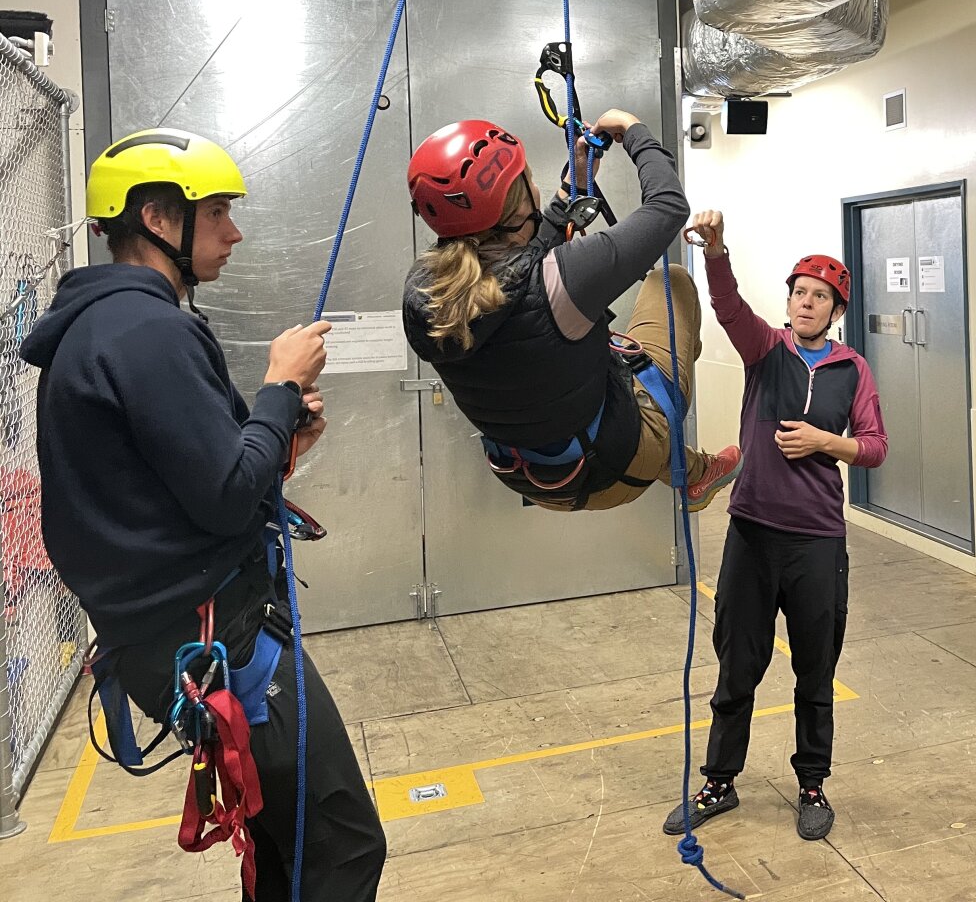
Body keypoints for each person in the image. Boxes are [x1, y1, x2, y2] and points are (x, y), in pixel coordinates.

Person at [21, 127, 386, 901]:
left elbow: (181, 484)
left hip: (172, 639)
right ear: (158, 218)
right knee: (341, 846)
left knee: (280, 841)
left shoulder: (103, 328)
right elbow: (223, 499)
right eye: (217, 211)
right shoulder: (149, 332)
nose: (234, 230)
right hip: (219, 641)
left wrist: (277, 435)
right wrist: (280, 391)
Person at [663, 209, 887, 842]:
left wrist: (825, 441)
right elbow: (730, 308)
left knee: (816, 671)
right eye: (799, 292)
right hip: (753, 535)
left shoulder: (853, 371)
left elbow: (874, 446)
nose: (806, 303)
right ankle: (719, 781)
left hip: (817, 542)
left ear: (837, 309)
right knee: (738, 666)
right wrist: (717, 251)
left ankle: (812, 785)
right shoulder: (767, 351)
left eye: (820, 296)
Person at [403, 113, 741, 513]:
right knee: (673, 283)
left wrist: (573, 189)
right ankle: (678, 443)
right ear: (518, 196)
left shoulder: (426, 292)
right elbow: (668, 207)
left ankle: (687, 465)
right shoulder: (565, 276)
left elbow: (517, 262)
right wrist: (634, 131)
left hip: (537, 480)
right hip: (614, 470)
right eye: (526, 177)